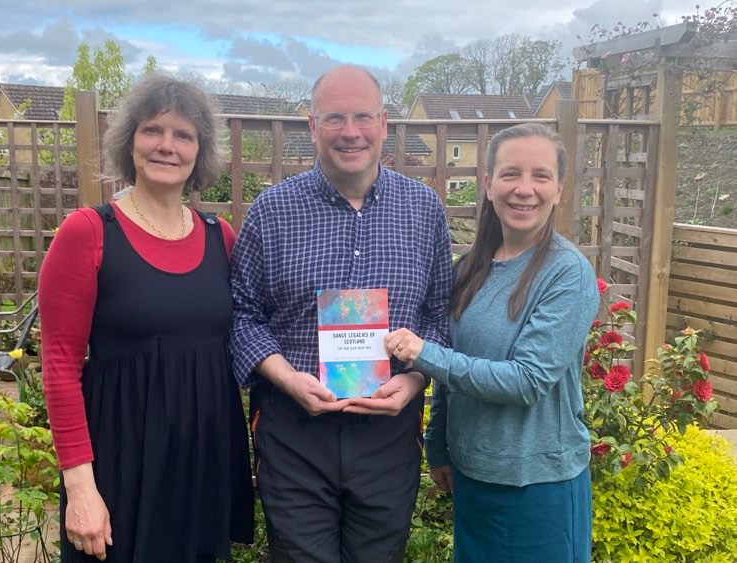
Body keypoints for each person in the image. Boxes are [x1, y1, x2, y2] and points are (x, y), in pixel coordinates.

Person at [229, 64, 452, 562]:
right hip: (293, 431)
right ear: (312, 126)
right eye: (334, 118)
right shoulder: (271, 211)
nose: (350, 132)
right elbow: (242, 314)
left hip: (389, 431)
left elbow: (440, 316)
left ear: (384, 123)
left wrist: (415, 383)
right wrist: (287, 379)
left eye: (362, 117)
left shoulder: (424, 209)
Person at [38, 74, 254, 562]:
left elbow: (256, 330)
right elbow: (59, 367)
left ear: (200, 152)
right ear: (129, 141)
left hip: (202, 459)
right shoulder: (88, 233)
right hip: (120, 460)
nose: (167, 146)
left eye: (183, 135)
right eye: (153, 130)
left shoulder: (222, 238)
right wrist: (82, 490)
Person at [386, 123, 599, 562]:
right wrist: (439, 444)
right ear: (488, 185)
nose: (524, 189)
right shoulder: (471, 268)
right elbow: (454, 364)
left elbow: (527, 381)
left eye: (540, 176)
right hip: (474, 476)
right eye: (510, 174)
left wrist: (424, 353)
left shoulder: (566, 274)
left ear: (559, 189)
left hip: (537, 484)